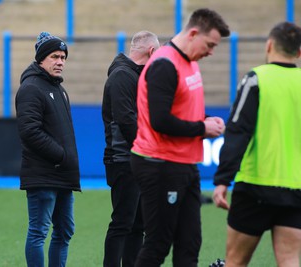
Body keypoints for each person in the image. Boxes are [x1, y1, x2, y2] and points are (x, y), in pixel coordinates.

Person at [130, 8, 230, 266]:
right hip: (159, 164)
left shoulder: (190, 61)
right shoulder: (164, 64)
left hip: (184, 163)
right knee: (157, 245)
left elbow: (183, 108)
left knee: (190, 244)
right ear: (194, 33)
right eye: (210, 44)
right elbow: (160, 120)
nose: (211, 51)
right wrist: (201, 129)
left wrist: (205, 119)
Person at [213, 21, 301, 267]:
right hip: (295, 188)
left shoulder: (256, 78)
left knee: (236, 262)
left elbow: (238, 131)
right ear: (299, 52)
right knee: (290, 261)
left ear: (269, 45)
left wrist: (222, 180)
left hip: (255, 185)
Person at [15, 31, 81, 267]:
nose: (60, 62)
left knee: (64, 231)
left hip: (62, 174)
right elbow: (30, 132)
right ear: (41, 58)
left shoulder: (59, 89)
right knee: (38, 232)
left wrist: (66, 162)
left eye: (63, 57)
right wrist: (61, 155)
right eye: (54, 56)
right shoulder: (31, 88)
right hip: (43, 174)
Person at [102, 31, 160, 267]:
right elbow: (126, 121)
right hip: (124, 160)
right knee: (123, 223)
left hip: (134, 158)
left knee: (138, 225)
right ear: (152, 52)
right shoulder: (122, 76)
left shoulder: (133, 77)